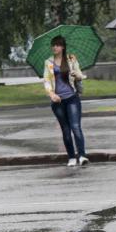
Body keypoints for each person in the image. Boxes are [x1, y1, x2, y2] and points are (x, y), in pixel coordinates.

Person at [43, 35, 88, 167]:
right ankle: (71, 157)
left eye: (57, 45)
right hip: (58, 101)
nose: (54, 47)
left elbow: (80, 75)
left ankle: (82, 155)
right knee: (65, 129)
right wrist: (51, 94)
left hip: (72, 98)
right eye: (53, 45)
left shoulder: (71, 59)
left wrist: (76, 74)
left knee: (76, 127)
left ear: (62, 46)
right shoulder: (48, 62)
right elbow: (46, 80)